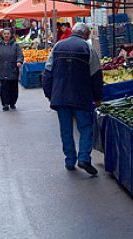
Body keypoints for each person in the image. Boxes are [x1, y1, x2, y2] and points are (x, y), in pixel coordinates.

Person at [43, 23, 103, 175]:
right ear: (85, 34)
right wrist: (97, 97)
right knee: (85, 128)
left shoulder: (57, 46)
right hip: (81, 95)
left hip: (60, 96)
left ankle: (70, 160)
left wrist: (50, 94)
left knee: (66, 130)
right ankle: (84, 158)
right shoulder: (88, 48)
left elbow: (47, 72)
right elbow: (96, 75)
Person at [0, 28, 24, 111]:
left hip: (13, 69)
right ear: (2, 35)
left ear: (10, 35)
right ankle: (5, 103)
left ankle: (12, 102)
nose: (6, 35)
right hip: (2, 69)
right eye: (5, 34)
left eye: (8, 34)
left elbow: (20, 55)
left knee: (13, 87)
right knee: (4, 87)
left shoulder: (15, 45)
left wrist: (19, 61)